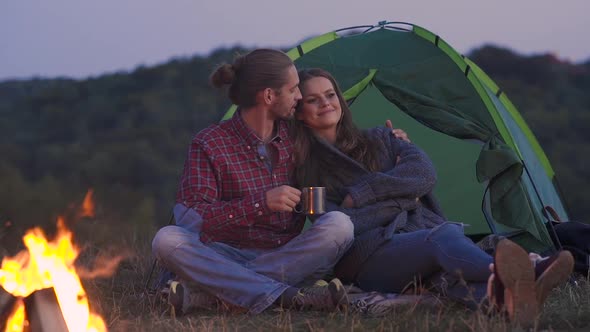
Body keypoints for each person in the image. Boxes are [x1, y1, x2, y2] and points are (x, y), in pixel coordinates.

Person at [290, 67, 574, 325]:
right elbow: (333, 226)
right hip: (366, 258)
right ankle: (526, 274)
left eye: (330, 94)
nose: (326, 102)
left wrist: (363, 193)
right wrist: (404, 196)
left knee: (448, 279)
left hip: (417, 236)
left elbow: (424, 174)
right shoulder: (307, 173)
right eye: (313, 100)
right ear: (300, 111)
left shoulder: (382, 138)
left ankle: (509, 302)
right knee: (443, 236)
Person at [151, 50, 355, 315]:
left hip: (286, 256)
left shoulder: (298, 135)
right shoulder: (210, 142)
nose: (300, 97)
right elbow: (192, 218)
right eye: (293, 89)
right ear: (269, 96)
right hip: (223, 254)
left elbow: (345, 145)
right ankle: (289, 297)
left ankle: (214, 293)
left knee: (339, 226)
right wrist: (261, 204)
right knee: (166, 240)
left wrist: (390, 140)